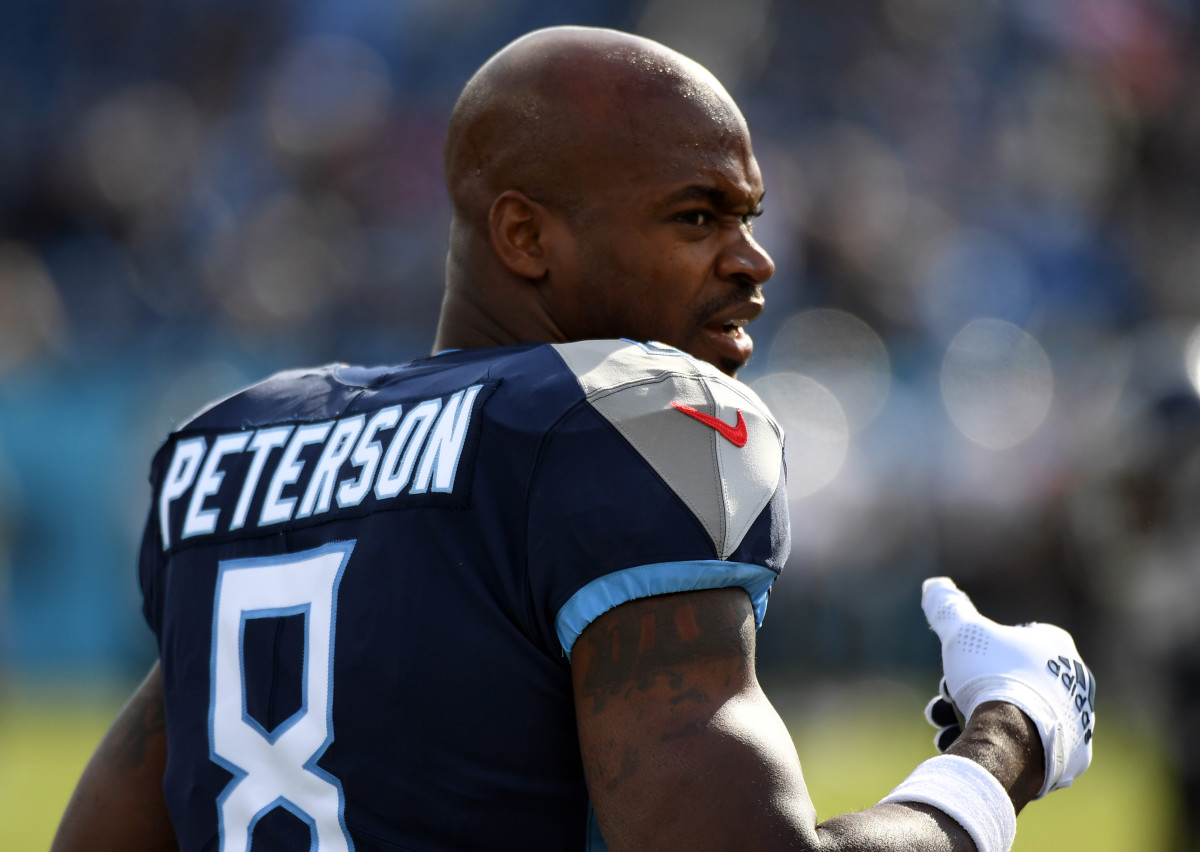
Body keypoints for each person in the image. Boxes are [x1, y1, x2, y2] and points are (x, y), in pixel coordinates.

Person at [52, 25, 1094, 852]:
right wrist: (1009, 738)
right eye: (698, 218)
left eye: (748, 216)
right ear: (525, 236)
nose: (754, 260)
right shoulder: (620, 421)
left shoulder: (240, 445)